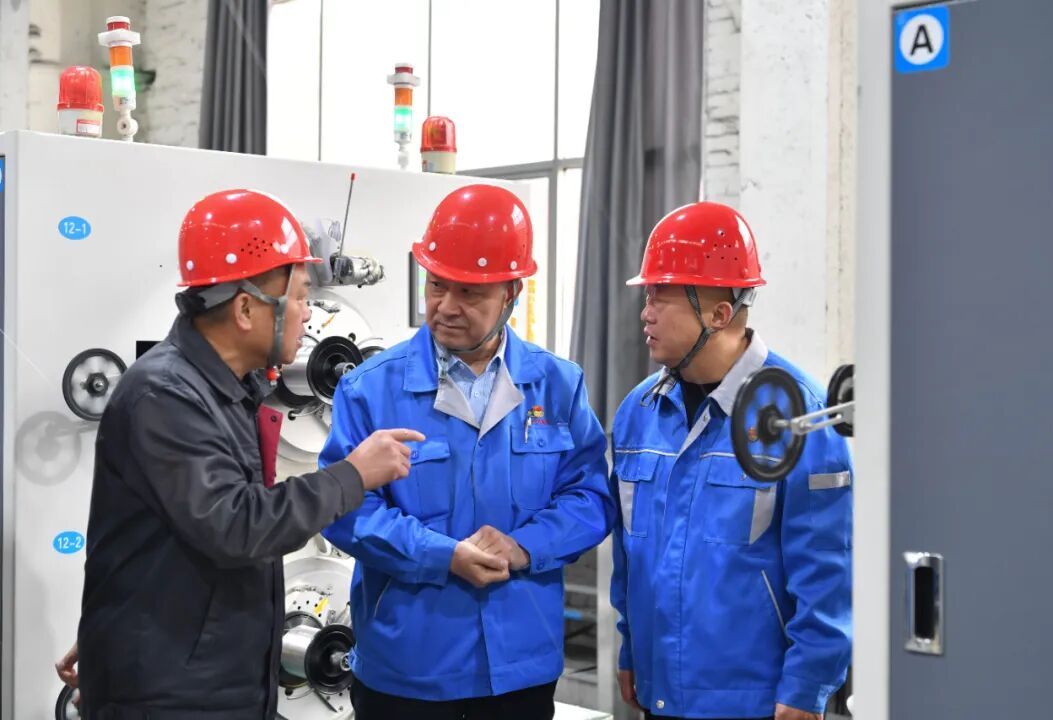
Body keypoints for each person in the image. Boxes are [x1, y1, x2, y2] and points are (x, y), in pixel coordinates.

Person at [73, 189, 423, 720]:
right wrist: (353, 475)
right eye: (301, 298)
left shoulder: (224, 390)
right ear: (244, 308)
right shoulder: (165, 395)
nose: (310, 315)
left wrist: (119, 623)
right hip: (176, 695)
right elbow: (237, 526)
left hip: (202, 674)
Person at [319, 184, 615, 719]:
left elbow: (591, 498)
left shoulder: (557, 385)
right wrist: (441, 555)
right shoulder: (370, 389)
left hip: (520, 669)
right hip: (408, 669)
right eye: (436, 285)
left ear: (512, 293)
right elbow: (344, 510)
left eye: (471, 293)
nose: (446, 307)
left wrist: (523, 546)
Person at [609, 202, 853, 720]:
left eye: (662, 297)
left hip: (756, 701)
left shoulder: (797, 416)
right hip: (657, 690)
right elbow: (632, 558)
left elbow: (827, 570)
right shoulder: (639, 411)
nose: (645, 313)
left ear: (719, 314)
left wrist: (807, 685)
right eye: (648, 295)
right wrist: (630, 648)